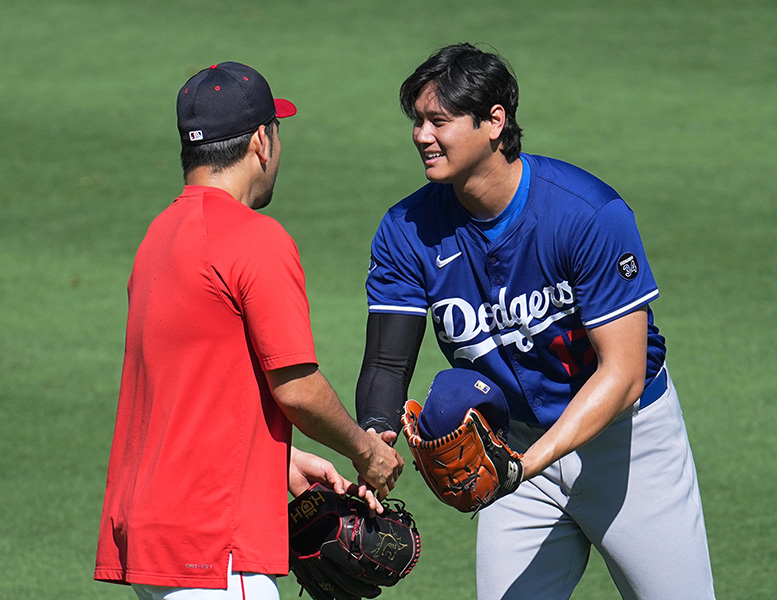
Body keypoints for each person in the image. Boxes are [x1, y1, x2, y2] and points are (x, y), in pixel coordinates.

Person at [356, 43, 715, 599]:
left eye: (439, 120)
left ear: (494, 121)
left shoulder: (586, 214)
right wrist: (375, 442)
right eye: (417, 121)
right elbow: (386, 361)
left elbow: (623, 376)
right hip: (514, 449)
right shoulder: (408, 229)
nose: (422, 135)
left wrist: (522, 467)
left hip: (626, 445)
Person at [94, 61, 403, 600]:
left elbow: (187, 393)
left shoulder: (157, 240)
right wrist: (366, 451)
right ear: (262, 140)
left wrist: (278, 462)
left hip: (149, 536)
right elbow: (298, 389)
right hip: (214, 547)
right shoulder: (255, 239)